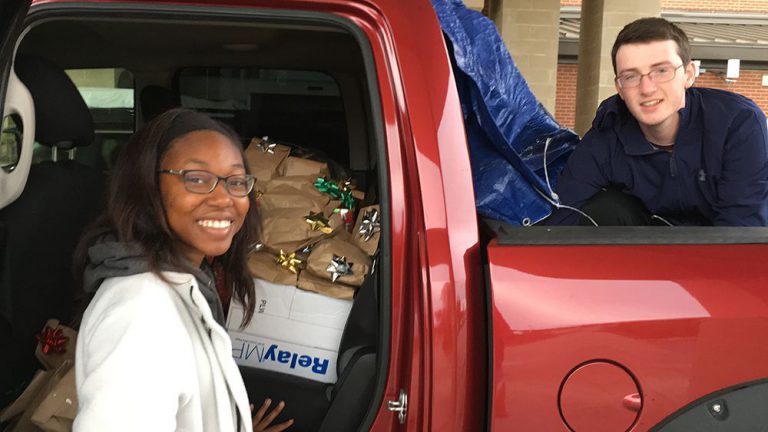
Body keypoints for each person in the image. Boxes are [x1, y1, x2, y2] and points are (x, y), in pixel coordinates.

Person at [73, 108, 293, 432]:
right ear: (146, 187)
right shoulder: (142, 313)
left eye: (235, 181)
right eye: (197, 178)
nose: (224, 198)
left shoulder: (180, 283)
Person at [547, 17, 768, 226]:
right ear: (620, 88)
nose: (647, 88)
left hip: (719, 253)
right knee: (607, 208)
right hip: (647, 252)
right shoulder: (608, 134)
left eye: (661, 71)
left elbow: (742, 229)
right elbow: (564, 217)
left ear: (689, 74)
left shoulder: (737, 123)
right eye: (631, 76)